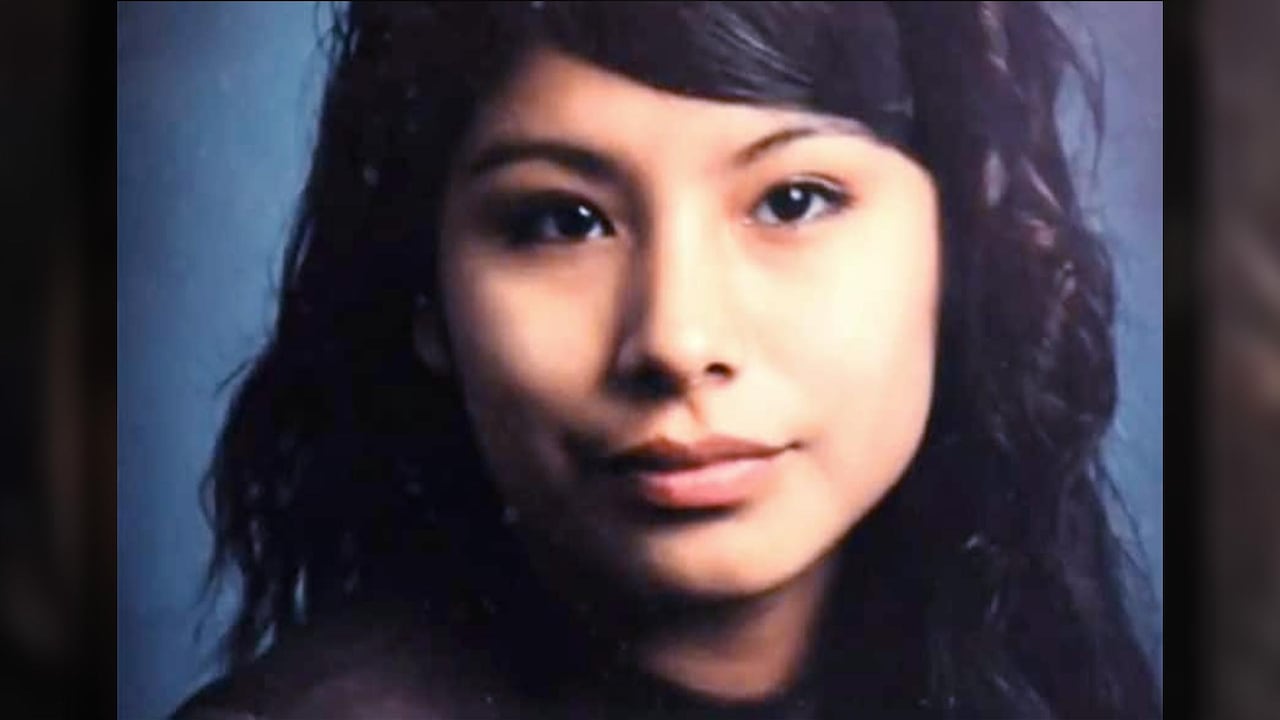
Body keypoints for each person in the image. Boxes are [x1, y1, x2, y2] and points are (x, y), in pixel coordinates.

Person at [174, 2, 1162, 718]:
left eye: (792, 201)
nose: (678, 342)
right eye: (561, 221)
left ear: (962, 248)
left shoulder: (1059, 669)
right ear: (425, 295)